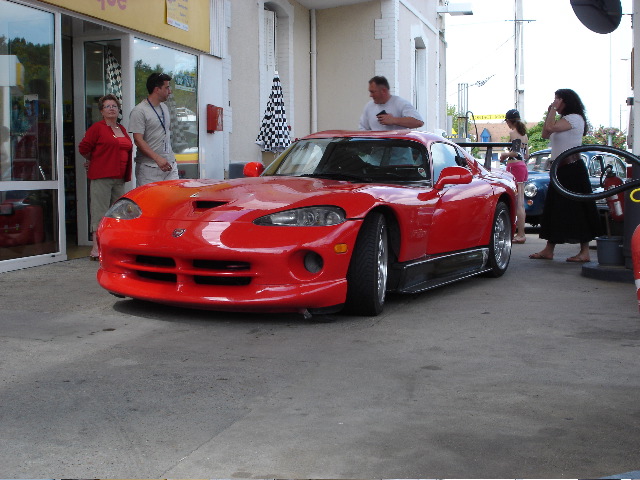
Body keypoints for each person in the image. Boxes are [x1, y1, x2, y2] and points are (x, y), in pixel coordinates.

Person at [529, 88, 600, 262]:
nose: (555, 102)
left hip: (572, 168)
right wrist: (550, 112)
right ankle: (549, 248)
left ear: (566, 101)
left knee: (578, 208)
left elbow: (551, 127)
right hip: (560, 169)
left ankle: (584, 251)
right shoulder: (563, 120)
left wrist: (552, 110)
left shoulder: (574, 118)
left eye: (558, 99)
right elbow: (546, 132)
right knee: (554, 208)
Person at [79, 94, 133, 260]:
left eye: (114, 106)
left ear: (118, 110)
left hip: (119, 176)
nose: (111, 109)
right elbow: (84, 147)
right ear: (101, 111)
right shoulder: (98, 128)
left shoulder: (122, 129)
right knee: (100, 211)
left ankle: (114, 246)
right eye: (108, 106)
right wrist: (92, 160)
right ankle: (96, 248)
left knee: (118, 213)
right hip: (102, 175)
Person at [129, 72, 179, 186]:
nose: (169, 91)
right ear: (157, 89)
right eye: (167, 88)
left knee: (173, 200)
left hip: (169, 164)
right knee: (151, 202)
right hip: (149, 168)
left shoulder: (164, 107)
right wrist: (157, 158)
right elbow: (138, 139)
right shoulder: (139, 111)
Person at [499, 109, 529, 243]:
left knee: (516, 202)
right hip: (522, 166)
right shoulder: (525, 135)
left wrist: (505, 154)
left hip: (514, 166)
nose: (507, 124)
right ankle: (521, 232)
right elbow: (526, 155)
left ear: (510, 121)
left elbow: (515, 152)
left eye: (507, 122)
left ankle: (520, 234)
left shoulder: (513, 133)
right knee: (521, 202)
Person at [359, 76, 424, 131]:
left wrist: (394, 120)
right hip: (375, 145)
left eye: (373, 92)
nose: (370, 95)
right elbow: (363, 129)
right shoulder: (369, 106)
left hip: (396, 145)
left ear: (383, 91)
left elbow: (418, 122)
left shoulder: (400, 103)